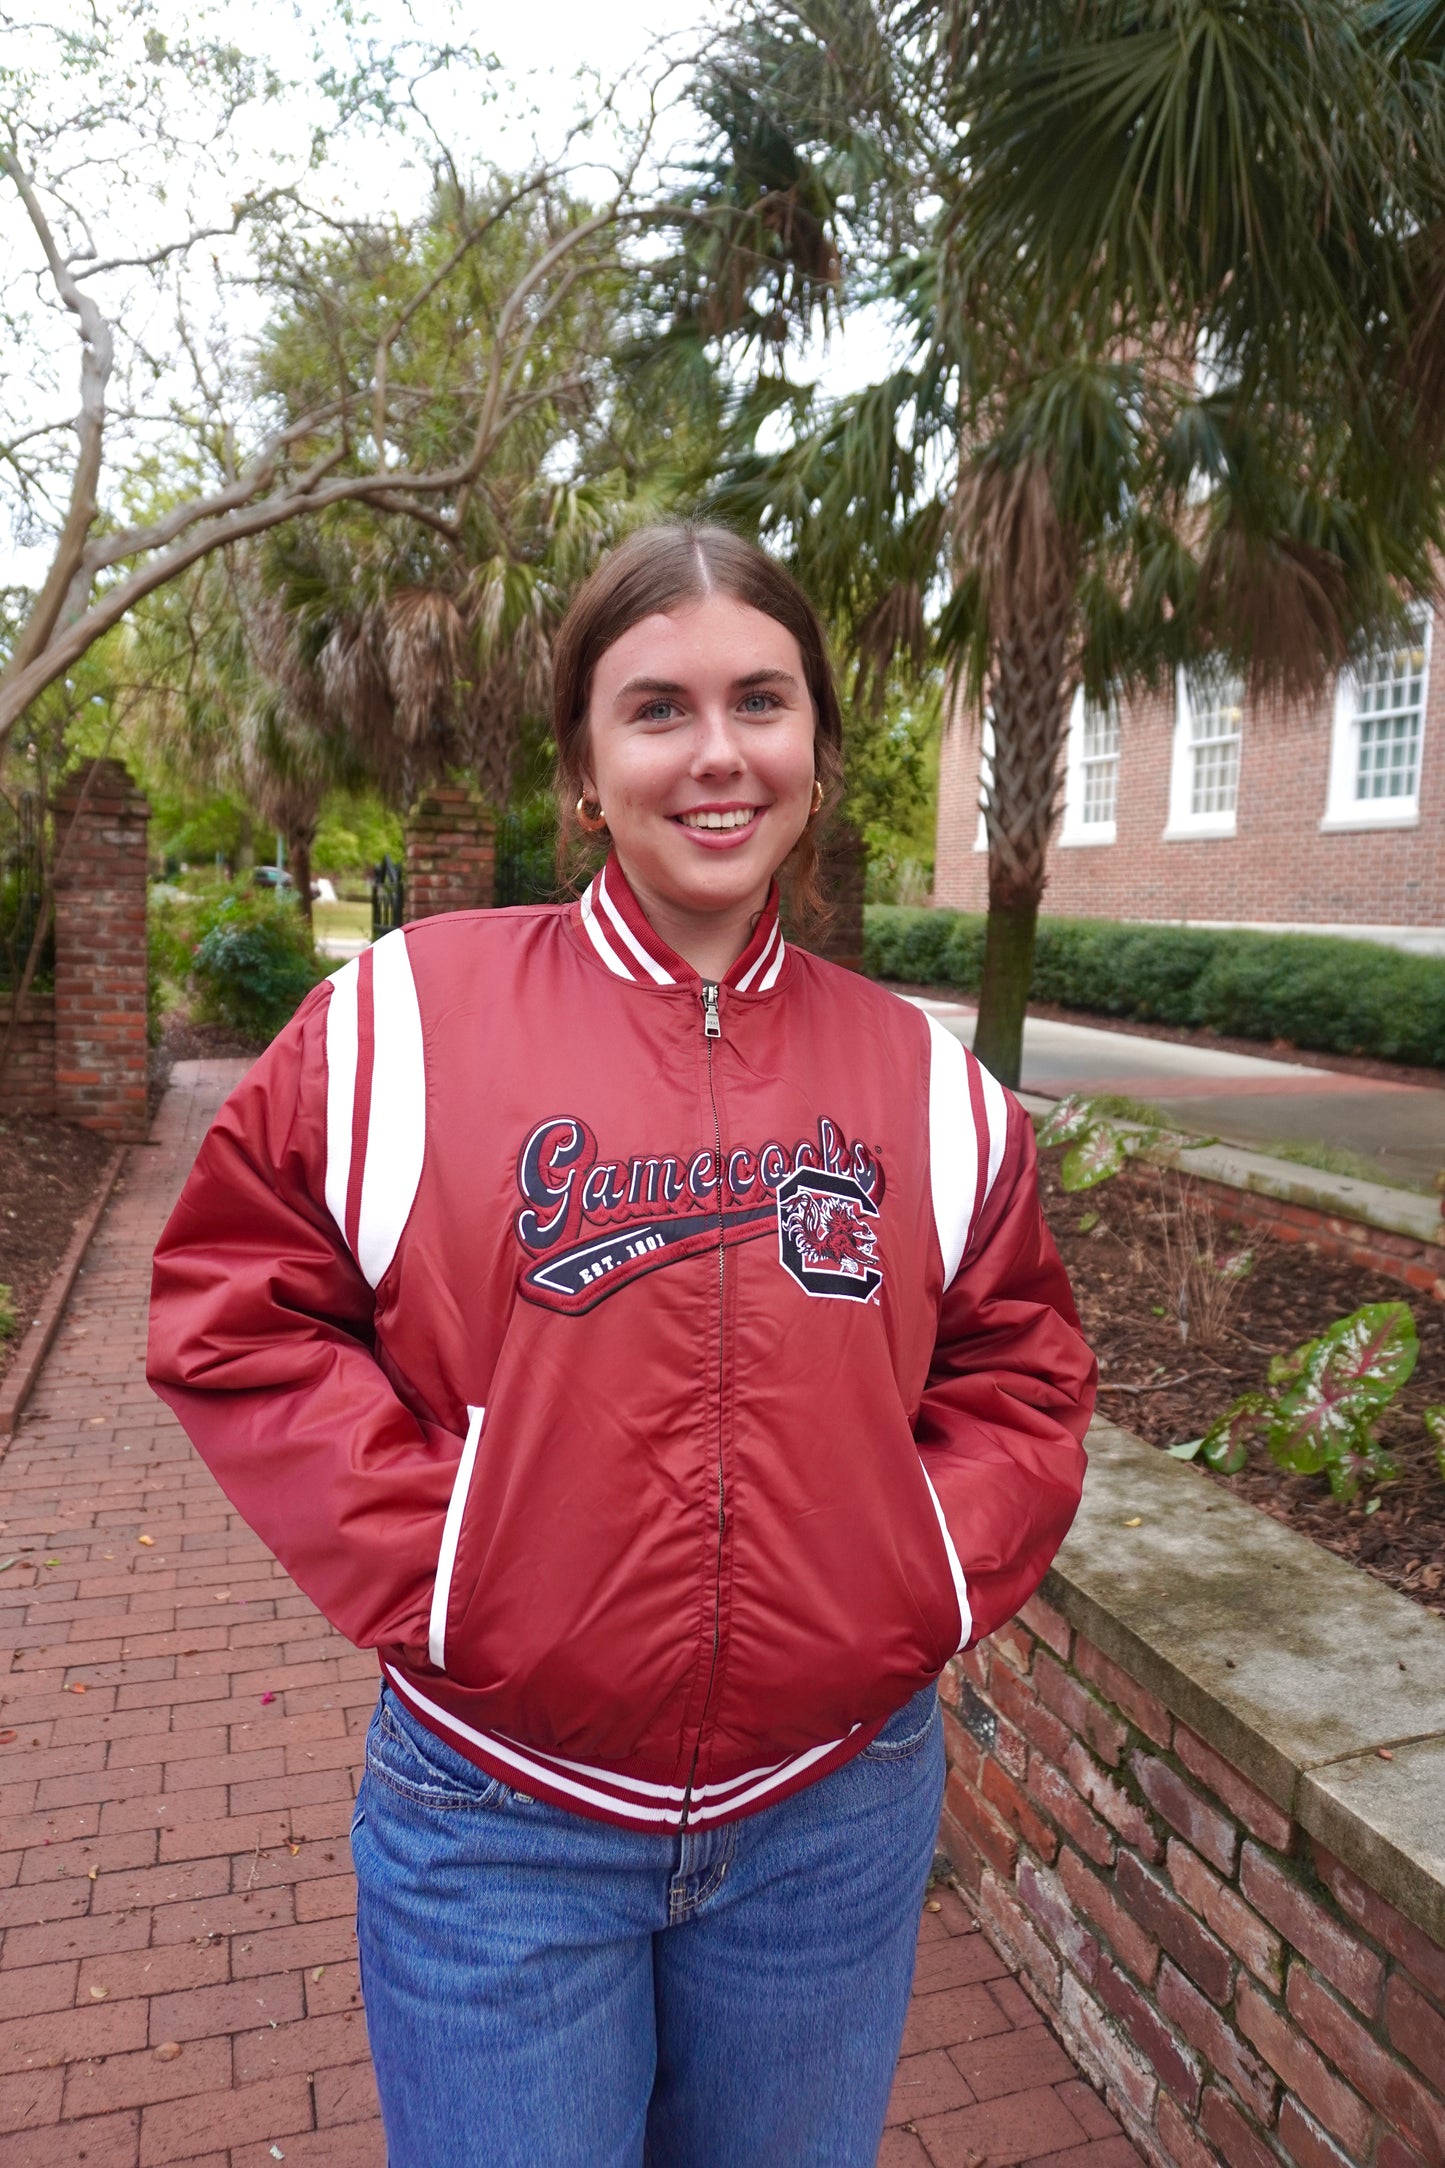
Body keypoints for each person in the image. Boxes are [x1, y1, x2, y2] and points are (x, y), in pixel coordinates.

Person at [147, 522, 1095, 2168]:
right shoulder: (397, 1026)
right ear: (585, 769)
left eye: (761, 702)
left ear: (815, 753)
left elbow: (1019, 1373)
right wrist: (451, 1567)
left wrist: (917, 1569)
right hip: (496, 1825)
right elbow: (239, 1308)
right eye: (656, 709)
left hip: (832, 1816)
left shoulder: (931, 1087)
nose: (716, 754)